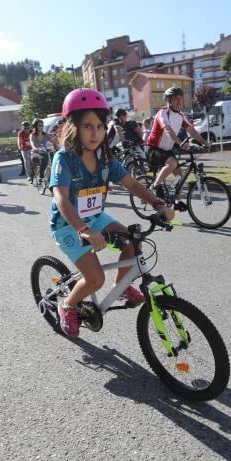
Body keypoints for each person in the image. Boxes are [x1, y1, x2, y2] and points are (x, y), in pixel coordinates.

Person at [48, 87, 174, 338]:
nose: (95, 133)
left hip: (95, 218)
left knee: (131, 240)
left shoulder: (105, 158)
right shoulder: (64, 159)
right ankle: (68, 305)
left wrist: (158, 204)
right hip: (68, 225)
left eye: (99, 126)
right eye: (87, 126)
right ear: (73, 126)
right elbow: (61, 199)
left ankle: (123, 286)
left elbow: (133, 184)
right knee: (95, 280)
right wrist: (84, 230)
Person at [146, 86, 210, 211]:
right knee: (173, 163)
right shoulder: (162, 113)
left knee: (180, 176)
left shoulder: (181, 115)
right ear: (169, 100)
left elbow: (191, 130)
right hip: (154, 148)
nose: (180, 101)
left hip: (166, 150)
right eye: (176, 99)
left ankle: (176, 202)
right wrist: (180, 143)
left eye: (181, 98)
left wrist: (204, 142)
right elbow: (168, 129)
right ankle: (154, 187)